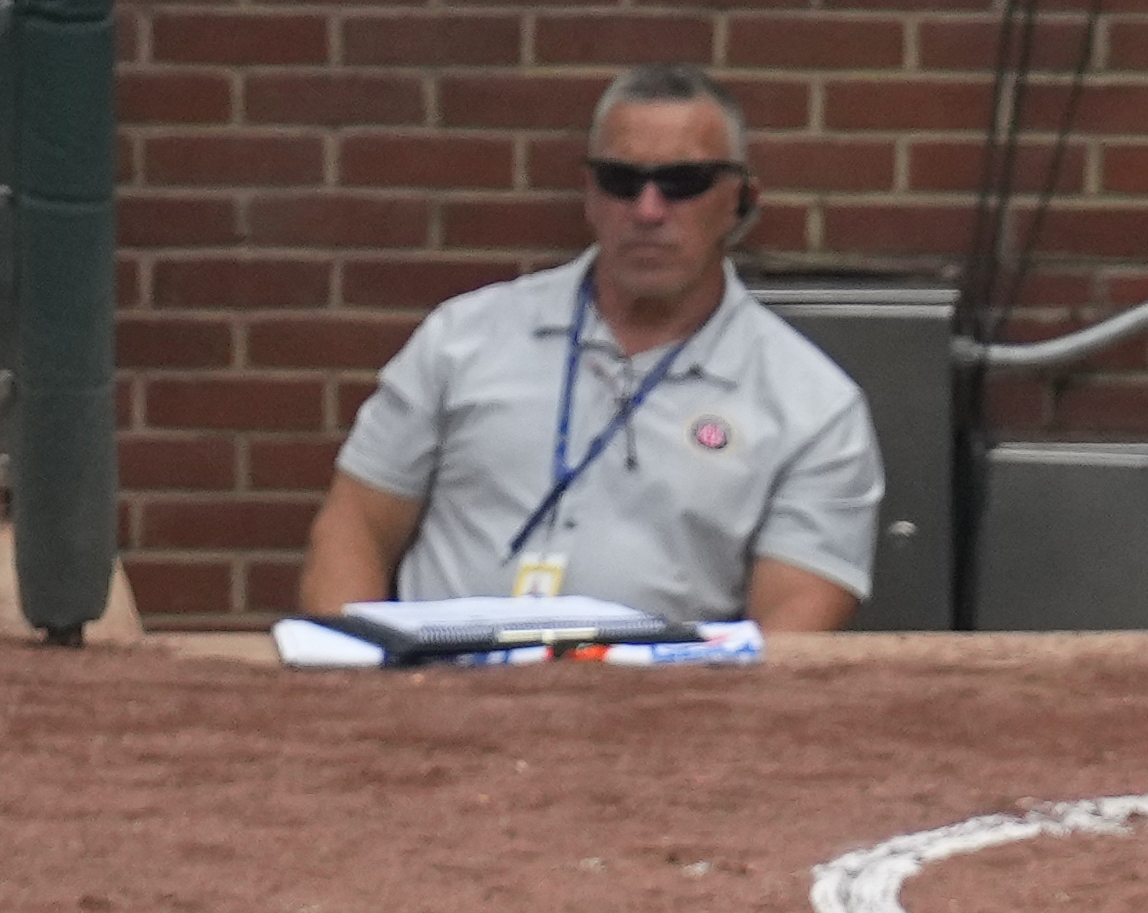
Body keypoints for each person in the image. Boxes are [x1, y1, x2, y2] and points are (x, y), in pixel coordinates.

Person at [296, 65, 879, 634]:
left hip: (660, 712)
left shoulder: (813, 407)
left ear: (741, 200)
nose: (648, 211)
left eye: (683, 184)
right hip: (441, 696)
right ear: (589, 194)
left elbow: (791, 628)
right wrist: (352, 677)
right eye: (621, 182)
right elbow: (355, 526)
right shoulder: (464, 338)